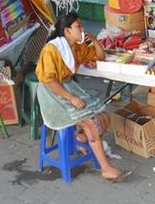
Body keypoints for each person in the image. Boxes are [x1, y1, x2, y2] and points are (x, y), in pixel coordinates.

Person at [35, 13, 131, 183]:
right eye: (78, 26)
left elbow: (100, 56)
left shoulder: (77, 46)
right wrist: (71, 98)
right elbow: (49, 81)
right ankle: (106, 168)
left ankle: (80, 139)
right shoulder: (52, 49)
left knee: (103, 115)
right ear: (67, 30)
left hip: (67, 87)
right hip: (53, 94)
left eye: (81, 25)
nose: (82, 29)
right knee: (92, 122)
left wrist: (93, 40)